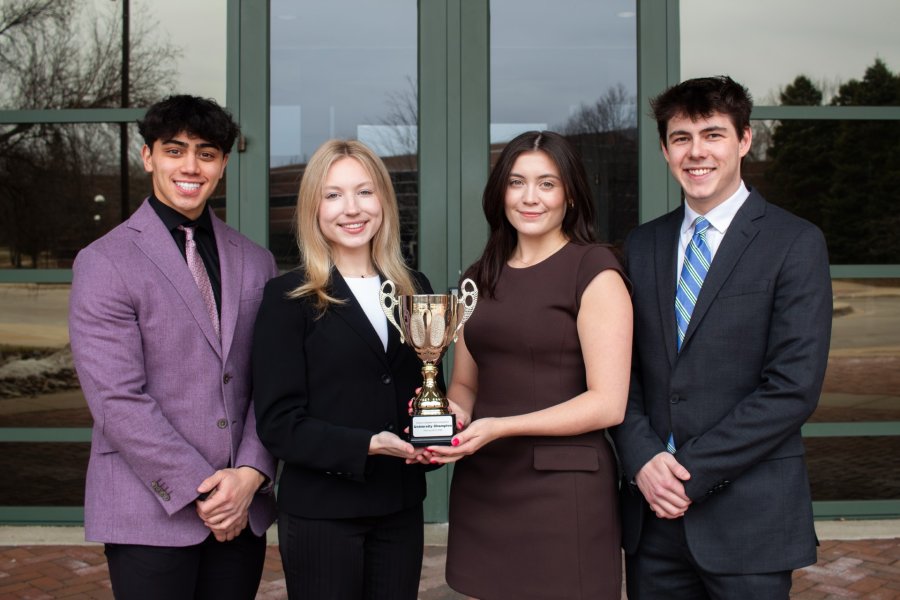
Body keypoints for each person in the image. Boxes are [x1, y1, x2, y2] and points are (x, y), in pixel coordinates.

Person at [609, 75, 833, 599]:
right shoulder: (643, 245)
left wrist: (686, 471)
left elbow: (792, 388)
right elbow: (624, 373)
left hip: (750, 520)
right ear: (665, 150)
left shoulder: (794, 242)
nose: (696, 152)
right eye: (681, 138)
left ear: (744, 141)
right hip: (654, 519)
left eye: (712, 134)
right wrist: (642, 459)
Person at [68, 95, 278, 599]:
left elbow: (272, 382)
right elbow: (117, 400)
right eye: (174, 150)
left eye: (206, 153)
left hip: (240, 508)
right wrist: (203, 491)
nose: (190, 166)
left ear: (223, 165)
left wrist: (249, 475)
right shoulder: (104, 261)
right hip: (148, 508)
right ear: (148, 157)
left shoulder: (255, 260)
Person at [426, 130, 632, 599]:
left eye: (547, 183)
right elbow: (464, 386)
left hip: (564, 491)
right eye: (517, 182)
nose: (530, 197)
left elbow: (608, 403)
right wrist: (447, 420)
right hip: (486, 483)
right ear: (501, 193)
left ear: (571, 194)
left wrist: (500, 427)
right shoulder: (478, 276)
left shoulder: (594, 270)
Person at [252, 139, 437, 599]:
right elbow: (278, 424)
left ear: (384, 201)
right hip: (322, 513)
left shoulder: (416, 289)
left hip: (399, 508)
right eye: (333, 195)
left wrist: (430, 439)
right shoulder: (287, 297)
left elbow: (420, 392)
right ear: (313, 208)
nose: (351, 209)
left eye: (365, 192)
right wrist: (366, 445)